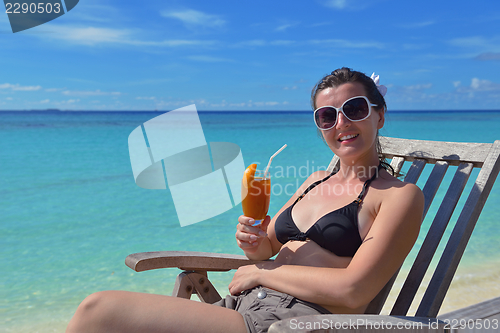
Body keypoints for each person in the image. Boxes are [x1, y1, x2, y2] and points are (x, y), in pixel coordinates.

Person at [66, 67, 424, 333]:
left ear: (379, 114)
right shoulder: (315, 181)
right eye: (327, 115)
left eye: (355, 109)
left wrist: (262, 270)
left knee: (99, 311)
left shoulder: (398, 196)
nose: (341, 122)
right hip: (244, 306)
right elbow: (265, 247)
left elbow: (353, 291)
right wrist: (254, 243)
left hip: (289, 323)